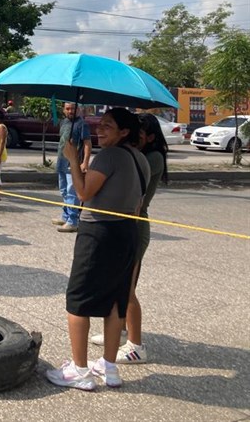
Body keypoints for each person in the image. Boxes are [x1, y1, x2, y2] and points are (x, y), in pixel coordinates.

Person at [46, 107, 149, 391]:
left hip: (98, 232)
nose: (100, 130)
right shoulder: (140, 159)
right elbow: (138, 203)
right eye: (100, 124)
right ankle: (109, 366)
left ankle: (79, 369)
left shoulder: (109, 156)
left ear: (124, 131)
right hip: (127, 231)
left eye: (108, 126)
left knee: (77, 300)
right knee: (115, 301)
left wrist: (72, 159)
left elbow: (83, 193)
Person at [90, 113, 169, 364]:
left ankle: (136, 345)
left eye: (140, 135)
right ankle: (119, 331)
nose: (136, 139)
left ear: (151, 137)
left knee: (127, 288)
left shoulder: (149, 159)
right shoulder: (134, 156)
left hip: (135, 223)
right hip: (124, 222)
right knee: (116, 285)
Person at [54, 102, 92, 233]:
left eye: (73, 109)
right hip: (62, 161)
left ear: (79, 110)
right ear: (64, 110)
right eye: (67, 109)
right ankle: (65, 216)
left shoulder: (82, 124)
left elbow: (87, 143)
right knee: (64, 190)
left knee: (72, 193)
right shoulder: (63, 122)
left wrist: (85, 162)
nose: (70, 111)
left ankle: (73, 221)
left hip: (73, 164)